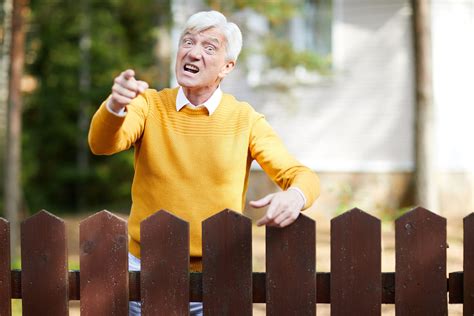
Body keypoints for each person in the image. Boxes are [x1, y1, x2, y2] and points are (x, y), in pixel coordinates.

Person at [88, 10, 319, 316]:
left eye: (209, 47)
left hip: (218, 275)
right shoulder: (149, 105)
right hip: (144, 270)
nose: (193, 52)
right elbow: (102, 144)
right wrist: (115, 105)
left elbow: (299, 174)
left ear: (227, 67)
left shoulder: (244, 119)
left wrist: (295, 196)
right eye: (188, 41)